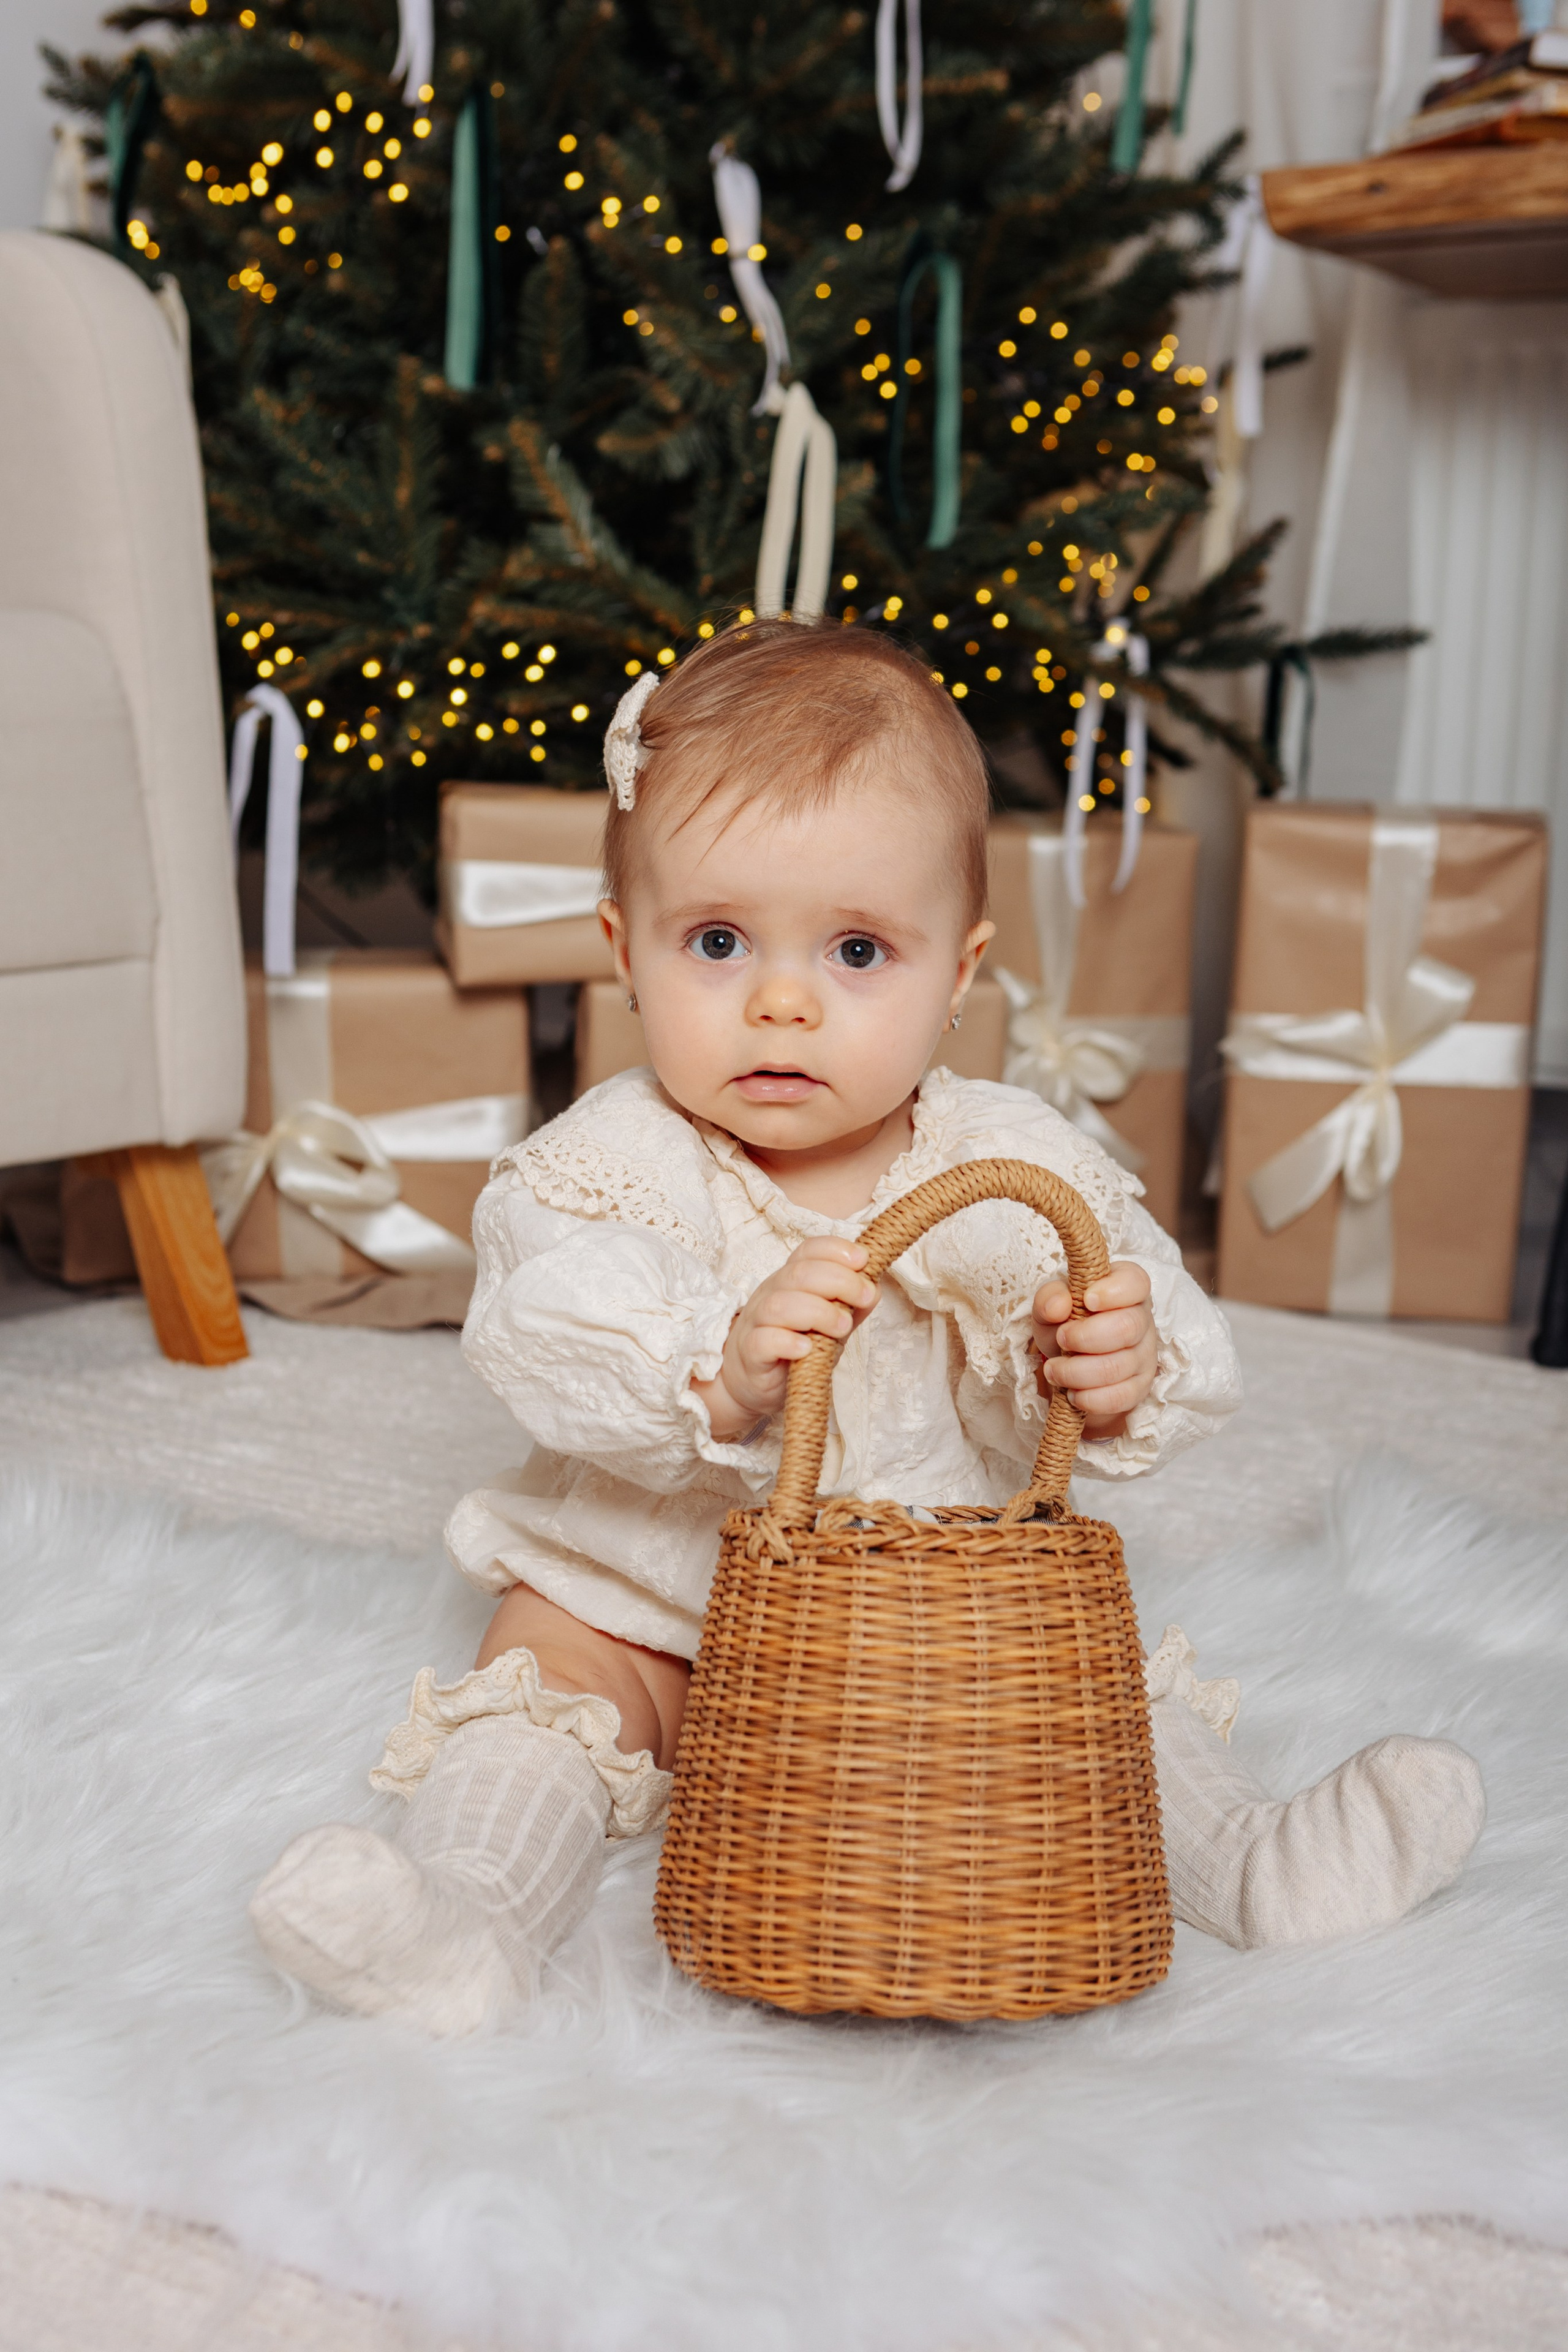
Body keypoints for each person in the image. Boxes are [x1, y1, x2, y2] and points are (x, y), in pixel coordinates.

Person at [251, 620, 1485, 2035]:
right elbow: (539, 1327)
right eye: (716, 940)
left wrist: (1110, 1366)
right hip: (653, 1587)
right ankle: (464, 1925)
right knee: (540, 1687)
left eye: (854, 950)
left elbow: (1145, 1304)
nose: (781, 1000)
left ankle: (1254, 1865)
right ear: (623, 952)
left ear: (956, 975)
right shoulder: (615, 1159)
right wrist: (710, 1373)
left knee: (1077, 1707)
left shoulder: (1003, 1161)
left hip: (925, 1617)